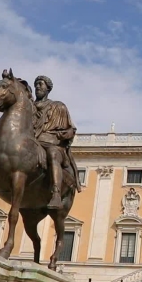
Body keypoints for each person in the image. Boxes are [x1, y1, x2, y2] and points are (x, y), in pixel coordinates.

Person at [32, 75, 81, 209]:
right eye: (36, 84)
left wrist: (66, 134)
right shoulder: (29, 107)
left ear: (48, 88)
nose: (37, 87)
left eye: (41, 84)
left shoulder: (58, 106)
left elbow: (71, 129)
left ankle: (56, 193)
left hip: (53, 144)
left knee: (53, 154)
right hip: (33, 140)